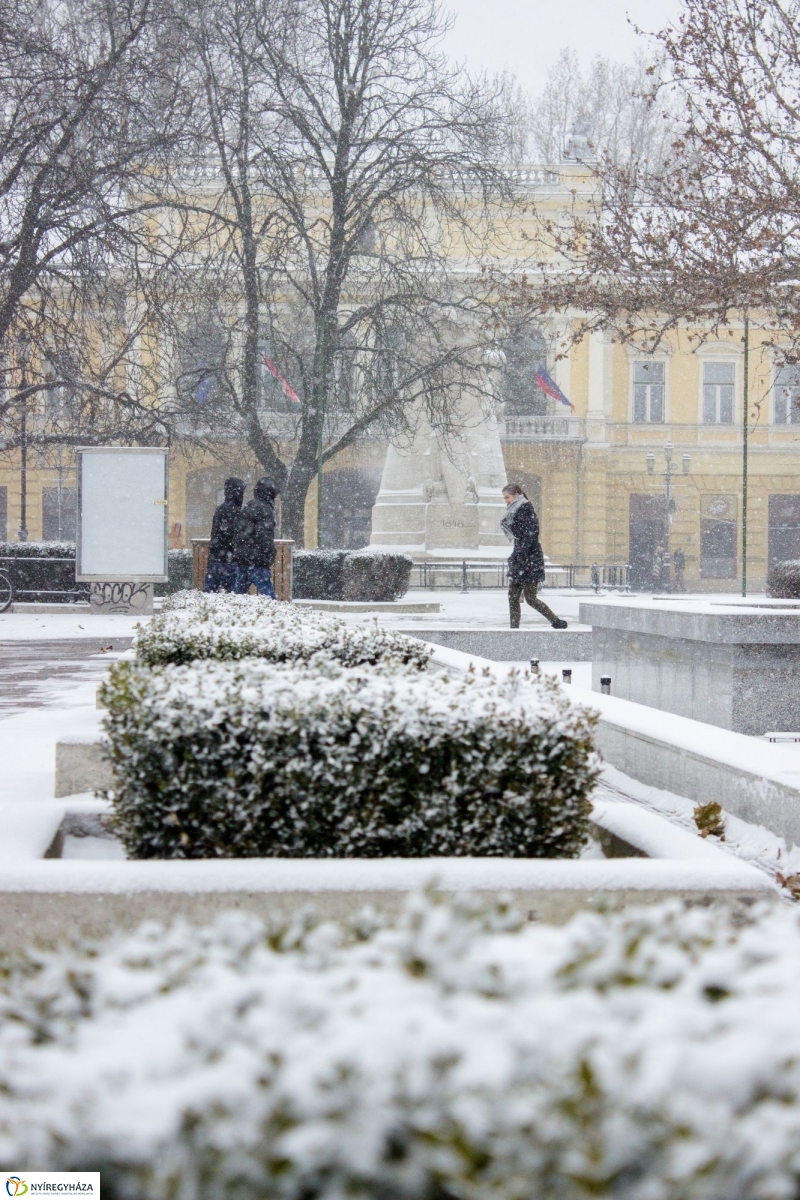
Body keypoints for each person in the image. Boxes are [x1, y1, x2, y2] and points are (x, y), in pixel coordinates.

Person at [501, 483, 567, 630]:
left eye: (508, 497)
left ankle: (556, 621)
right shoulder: (514, 509)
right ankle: (514, 629)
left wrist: (522, 553)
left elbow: (532, 533)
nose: (506, 500)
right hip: (520, 554)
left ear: (516, 494)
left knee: (530, 598)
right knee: (513, 596)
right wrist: (517, 553)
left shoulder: (525, 508)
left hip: (529, 557)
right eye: (504, 497)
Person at [234, 477, 279, 597]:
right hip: (257, 561)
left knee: (237, 596)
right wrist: (269, 555)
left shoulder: (249, 507)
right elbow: (264, 537)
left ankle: (234, 614)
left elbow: (239, 532)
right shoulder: (266, 510)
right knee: (268, 596)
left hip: (243, 559)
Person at [203, 477, 245, 593]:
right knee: (235, 595)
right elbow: (232, 534)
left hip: (216, 557)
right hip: (228, 559)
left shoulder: (221, 509)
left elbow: (220, 533)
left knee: (209, 592)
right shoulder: (233, 510)